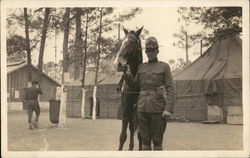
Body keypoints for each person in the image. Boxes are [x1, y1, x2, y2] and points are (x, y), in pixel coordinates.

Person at [124, 36, 175, 150]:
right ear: (145, 52)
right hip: (141, 109)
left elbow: (171, 88)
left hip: (158, 109)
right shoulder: (141, 67)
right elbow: (134, 85)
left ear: (157, 51)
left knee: (157, 141)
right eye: (148, 50)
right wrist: (127, 76)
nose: (150, 52)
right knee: (145, 141)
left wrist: (168, 109)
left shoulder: (164, 67)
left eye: (153, 50)